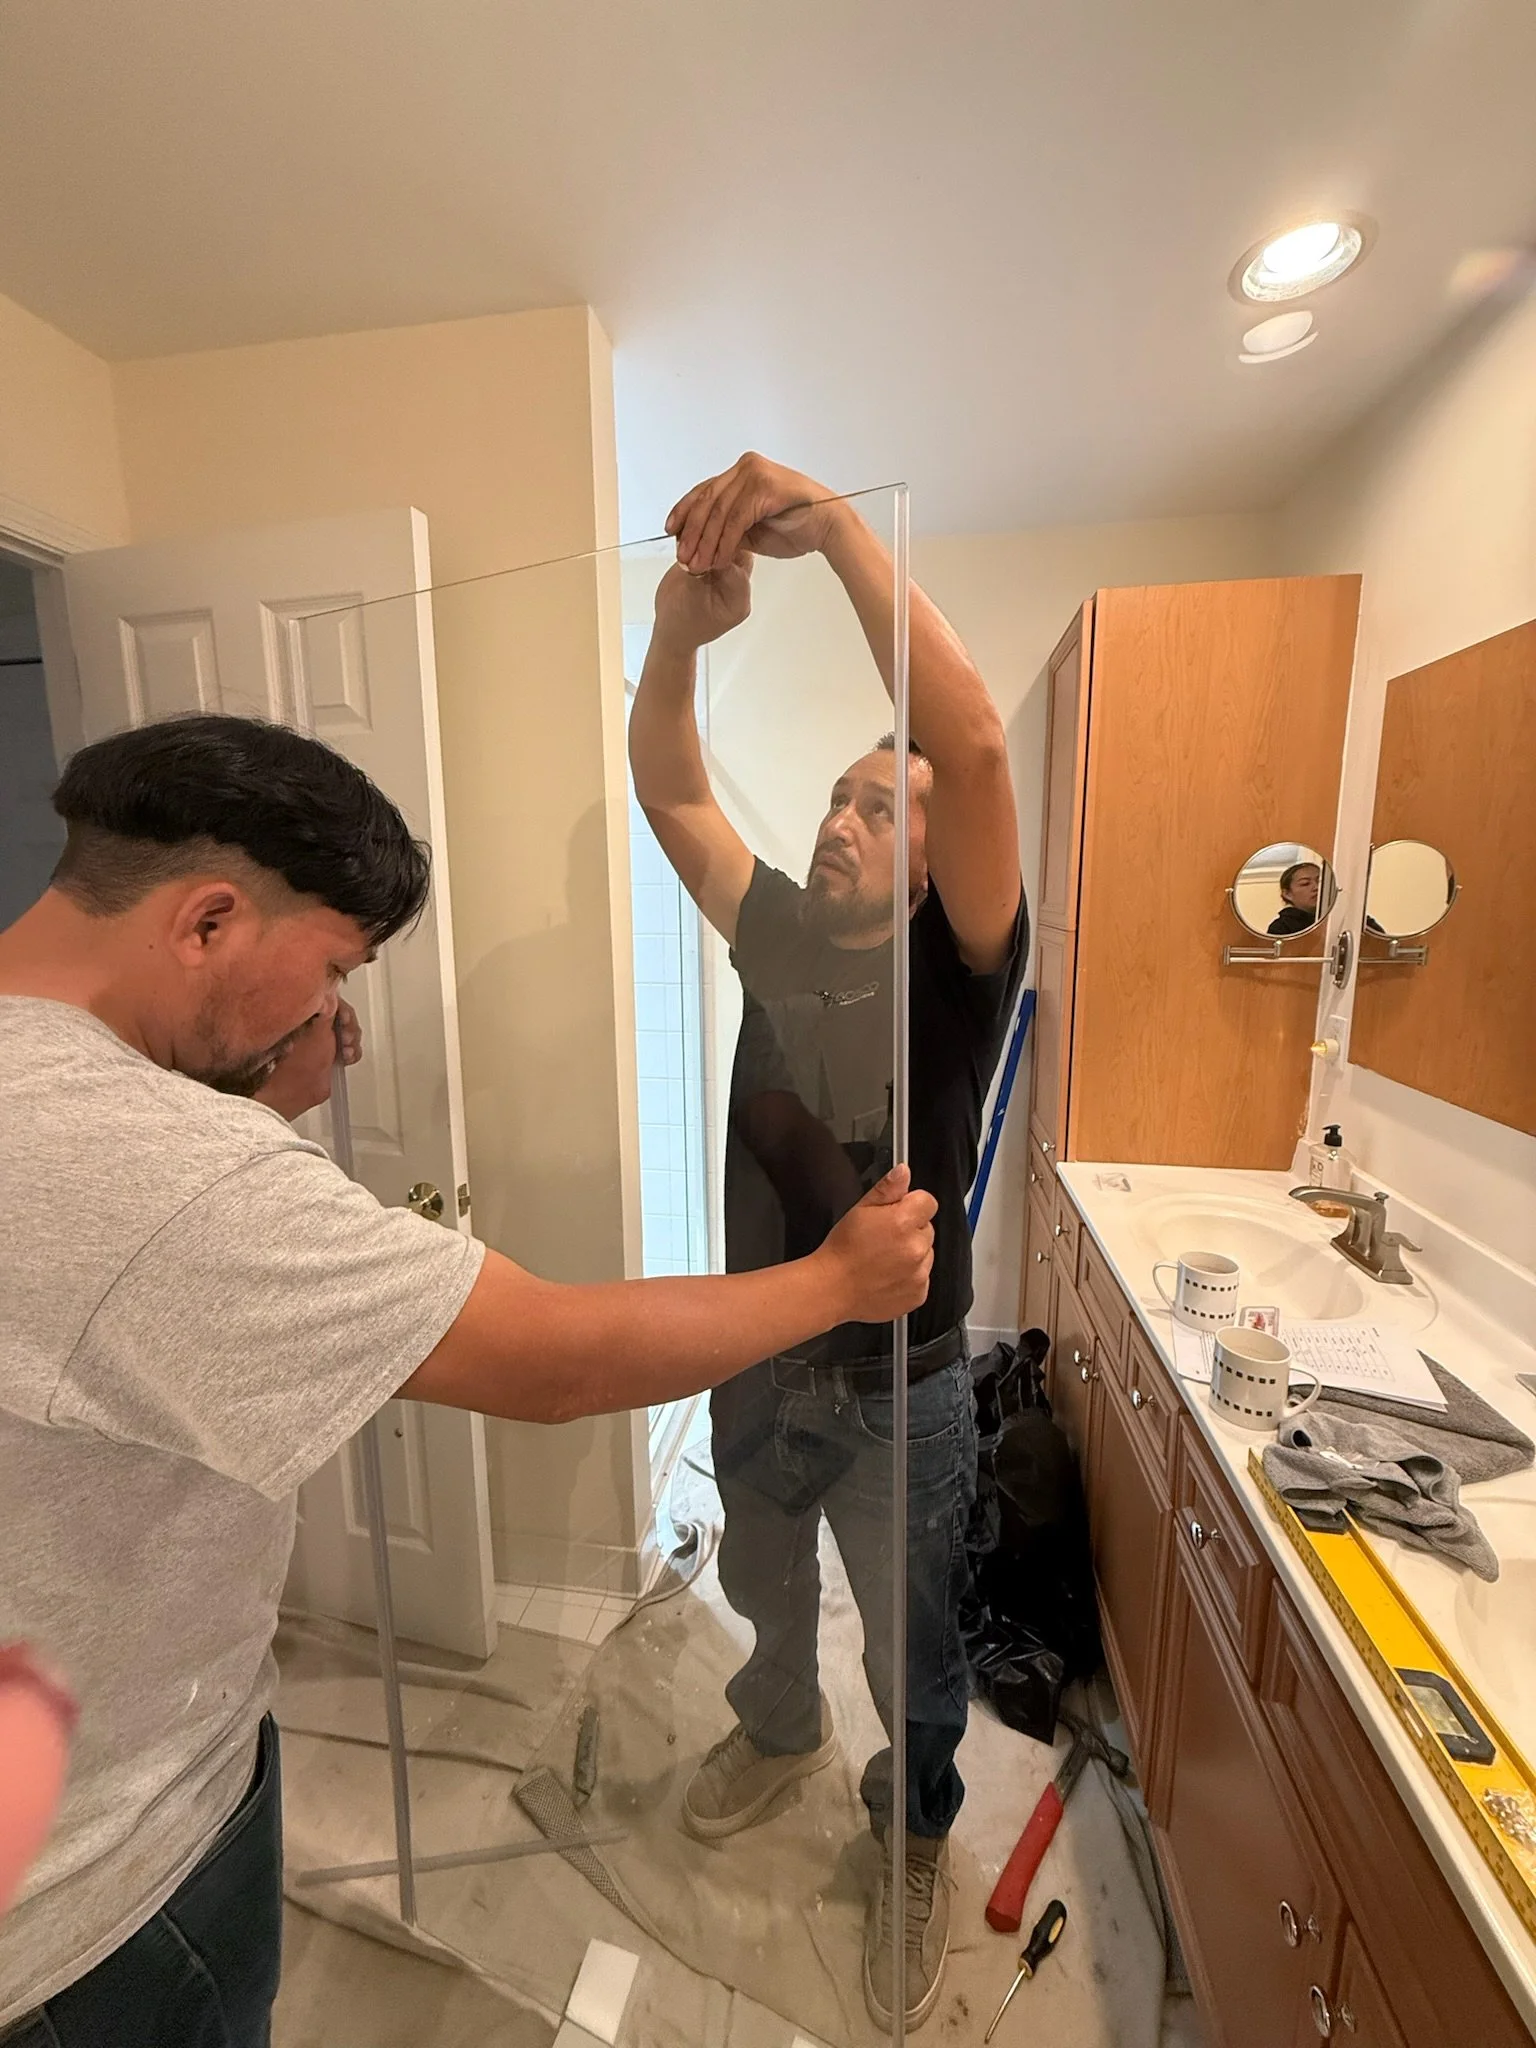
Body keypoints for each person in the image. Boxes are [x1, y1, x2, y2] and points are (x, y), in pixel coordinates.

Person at [0, 713, 936, 2046]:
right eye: (334, 966)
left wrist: (263, 1099)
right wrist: (839, 1283)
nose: (339, 1012)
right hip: (100, 1901)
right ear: (209, 924)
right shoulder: (167, 1177)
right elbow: (546, 1357)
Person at [629, 453, 1025, 2032]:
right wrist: (681, 629)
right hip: (757, 1355)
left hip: (906, 1389)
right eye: (842, 800)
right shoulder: (782, 928)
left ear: (935, 862)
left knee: (914, 1647)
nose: (848, 819)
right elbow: (673, 786)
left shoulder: (963, 965)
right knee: (771, 1582)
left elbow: (979, 743)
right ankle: (775, 1723)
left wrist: (840, 533)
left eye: (883, 807)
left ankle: (915, 1824)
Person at [1268, 860, 1323, 936]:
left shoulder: (1331, 917)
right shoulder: (1281, 927)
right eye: (1305, 884)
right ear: (1287, 894)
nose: (1317, 887)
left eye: (1320, 881)